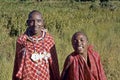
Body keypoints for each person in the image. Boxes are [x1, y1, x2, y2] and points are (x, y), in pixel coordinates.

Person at [12, 10, 60, 80]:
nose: (35, 24)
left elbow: (54, 65)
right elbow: (17, 65)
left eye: (38, 21)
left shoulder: (49, 40)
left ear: (43, 22)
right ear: (27, 23)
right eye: (32, 21)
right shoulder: (22, 40)